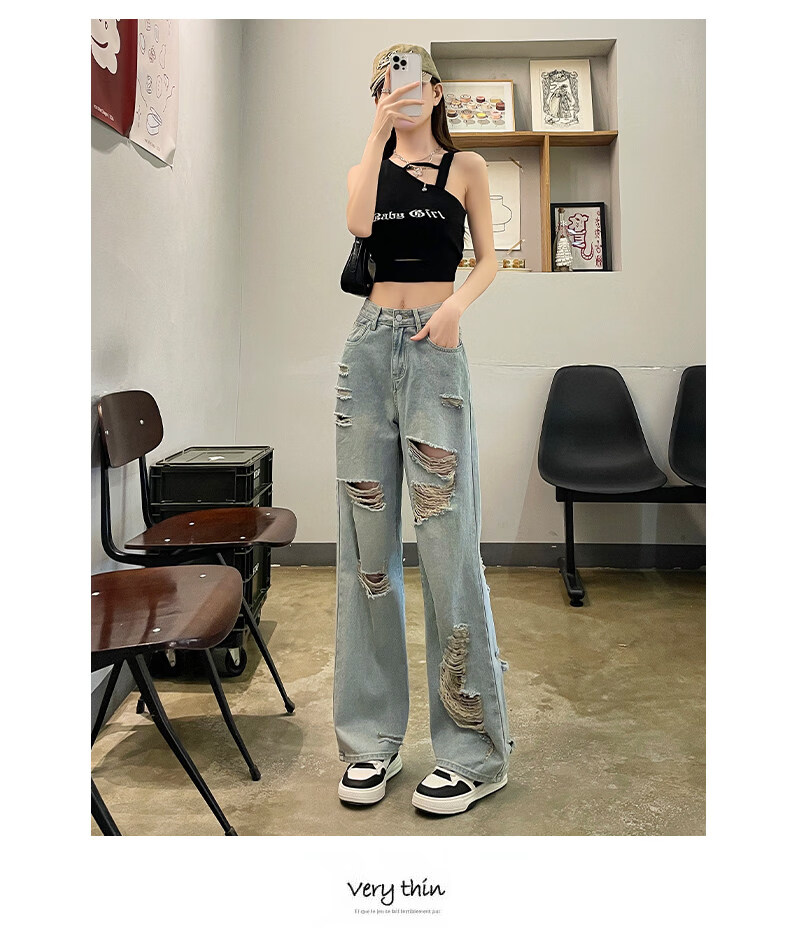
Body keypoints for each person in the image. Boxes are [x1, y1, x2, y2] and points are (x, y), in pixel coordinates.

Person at [334, 43, 515, 817]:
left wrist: (455, 308)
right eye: (384, 84)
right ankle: (370, 740)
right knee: (366, 552)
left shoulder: (466, 166)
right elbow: (357, 222)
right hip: (368, 350)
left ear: (435, 90)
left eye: (409, 80)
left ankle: (474, 752)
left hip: (435, 349)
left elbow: (489, 259)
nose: (398, 91)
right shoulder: (366, 166)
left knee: (448, 547)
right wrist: (376, 134)